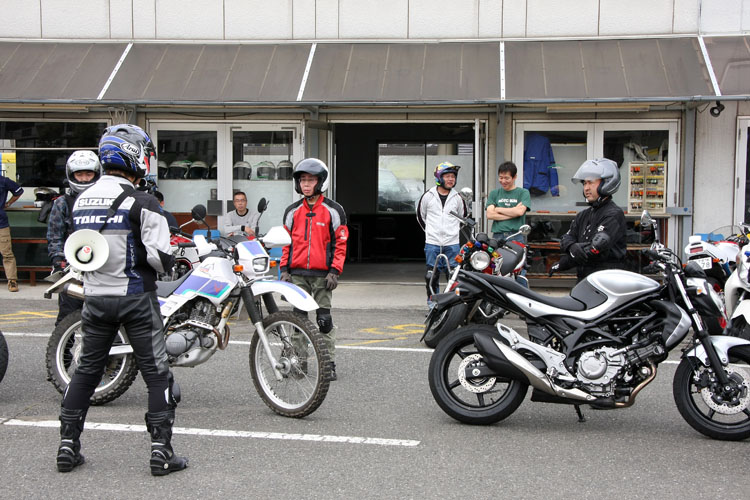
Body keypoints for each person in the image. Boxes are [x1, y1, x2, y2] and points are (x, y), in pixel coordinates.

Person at [56, 124, 187, 476]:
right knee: (157, 374)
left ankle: (67, 445)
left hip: (96, 298)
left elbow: (81, 251)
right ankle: (161, 452)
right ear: (134, 156)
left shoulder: (80, 200)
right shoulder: (144, 202)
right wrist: (172, 260)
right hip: (135, 298)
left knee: (85, 372)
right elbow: (160, 258)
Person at [280, 158, 348, 381]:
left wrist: (335, 271)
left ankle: (328, 363)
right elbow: (286, 243)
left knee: (324, 321)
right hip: (298, 275)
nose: (306, 184)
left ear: (320, 182)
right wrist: (284, 270)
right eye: (302, 180)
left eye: (310, 180)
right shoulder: (292, 212)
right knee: (299, 322)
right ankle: (299, 362)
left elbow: (341, 243)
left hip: (322, 276)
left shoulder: (333, 210)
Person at [47, 150, 102, 325]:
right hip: (73, 268)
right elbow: (55, 235)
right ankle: (63, 352)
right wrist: (58, 261)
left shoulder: (105, 200)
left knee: (106, 317)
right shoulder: (62, 202)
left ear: (97, 173)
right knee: (67, 316)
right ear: (71, 174)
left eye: (88, 173)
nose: (84, 178)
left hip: (103, 266)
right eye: (79, 174)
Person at [551, 158, 627, 282]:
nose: (586, 188)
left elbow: (595, 248)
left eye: (591, 182)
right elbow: (566, 238)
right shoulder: (583, 215)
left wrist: (564, 262)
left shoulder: (613, 214)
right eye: (584, 183)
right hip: (584, 280)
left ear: (606, 183)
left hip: (606, 282)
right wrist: (572, 247)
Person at [416, 161, 468, 301]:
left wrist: (451, 232)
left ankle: (452, 303)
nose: (451, 179)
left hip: (452, 244)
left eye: (453, 176)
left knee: (453, 275)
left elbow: (462, 218)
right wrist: (430, 232)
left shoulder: (458, 198)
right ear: (439, 177)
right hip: (432, 243)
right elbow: (421, 217)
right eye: (448, 176)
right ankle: (433, 302)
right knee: (431, 275)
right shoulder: (428, 196)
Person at [486, 161, 531, 243]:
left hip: (516, 235)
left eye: (506, 178)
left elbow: (520, 212)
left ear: (514, 177)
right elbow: (489, 214)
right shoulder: (494, 193)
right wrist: (513, 212)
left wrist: (498, 209)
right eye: (501, 177)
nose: (503, 181)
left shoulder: (523, 193)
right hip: (497, 235)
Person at [0, 169, 23, 292]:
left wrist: (8, 203)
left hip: (1, 224)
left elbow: (19, 191)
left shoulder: (3, 181)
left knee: (7, 254)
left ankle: (12, 281)